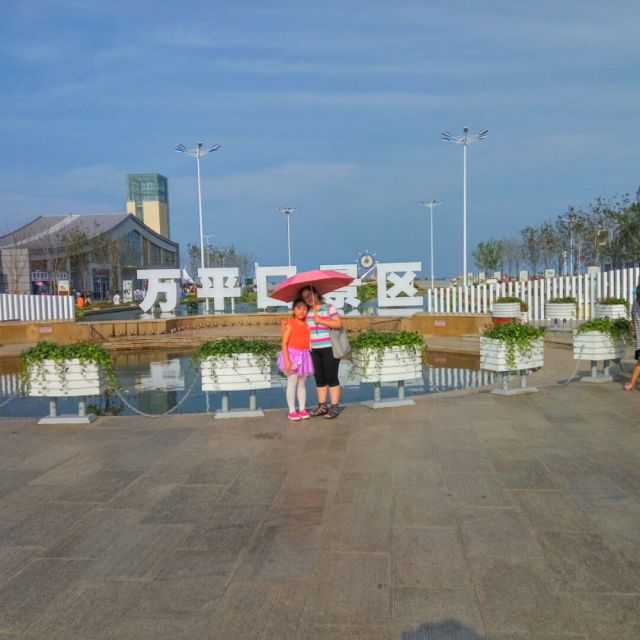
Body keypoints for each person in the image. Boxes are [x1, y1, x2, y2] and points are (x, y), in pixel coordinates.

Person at [301, 285, 343, 419]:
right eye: (305, 297)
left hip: (329, 348)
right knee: (319, 378)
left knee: (331, 377)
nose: (308, 299)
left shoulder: (329, 307)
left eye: (309, 295)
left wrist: (320, 320)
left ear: (316, 293)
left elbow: (338, 324)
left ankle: (334, 407)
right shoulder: (307, 312)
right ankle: (322, 406)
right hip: (313, 350)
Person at [277, 298, 314, 421]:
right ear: (293, 309)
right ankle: (292, 410)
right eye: (299, 308)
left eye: (304, 309)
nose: (301, 311)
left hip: (305, 355)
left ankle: (302, 409)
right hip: (292, 355)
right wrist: (287, 361)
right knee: (292, 383)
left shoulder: (308, 324)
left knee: (302, 383)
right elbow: (284, 343)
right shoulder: (290, 324)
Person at [624, 287, 640, 391]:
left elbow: (633, 318)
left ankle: (631, 384)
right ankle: (631, 384)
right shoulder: (635, 303)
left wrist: (634, 331)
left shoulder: (635, 302)